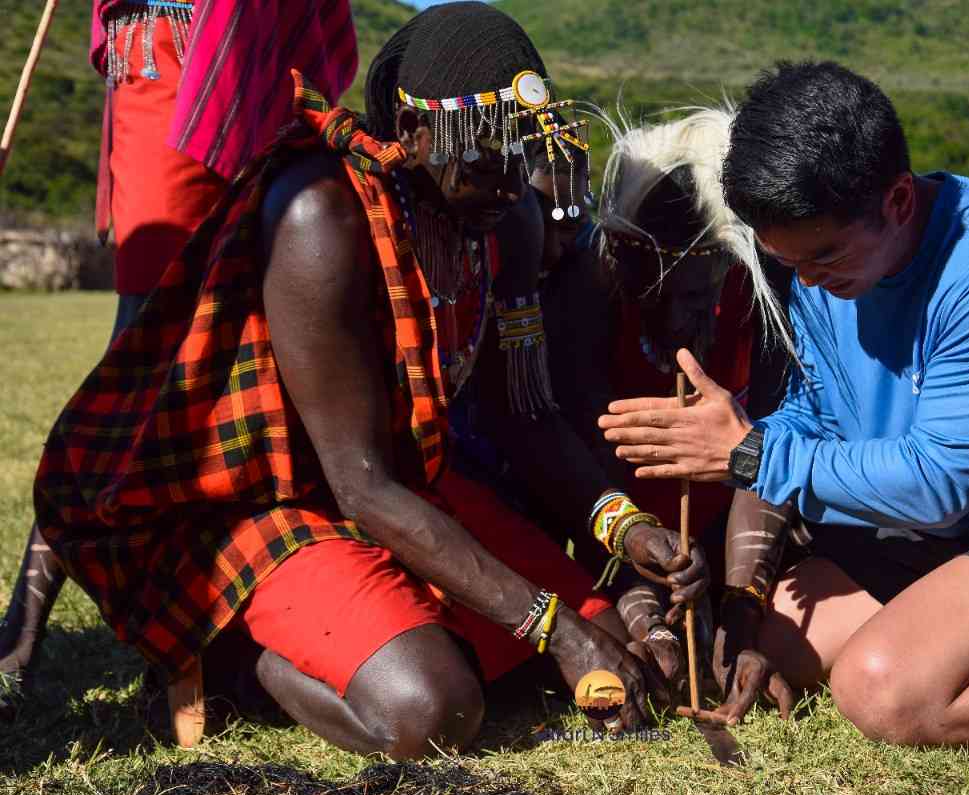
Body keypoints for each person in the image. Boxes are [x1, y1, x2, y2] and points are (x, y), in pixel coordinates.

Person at [30, 3, 698, 755]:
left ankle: (413, 626)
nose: (510, 182)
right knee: (432, 709)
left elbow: (524, 419)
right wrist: (550, 624)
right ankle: (225, 659)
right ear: (413, 138)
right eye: (481, 155)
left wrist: (624, 524)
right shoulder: (323, 215)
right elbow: (358, 484)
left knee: (618, 648)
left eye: (518, 153)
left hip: (412, 486)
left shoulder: (503, 220)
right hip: (278, 504)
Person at [599, 60, 969, 747]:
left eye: (824, 257)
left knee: (881, 690)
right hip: (964, 530)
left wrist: (749, 452)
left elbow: (940, 484)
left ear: (900, 202)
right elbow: (812, 413)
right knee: (774, 646)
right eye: (789, 263)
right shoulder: (813, 259)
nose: (809, 282)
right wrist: (747, 580)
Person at [0, 0, 357, 713]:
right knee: (130, 402)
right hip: (166, 143)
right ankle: (23, 638)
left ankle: (177, 639)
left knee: (213, 405)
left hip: (231, 138)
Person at [502, 107, 791, 683]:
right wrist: (643, 607)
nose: (674, 314)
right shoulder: (589, 281)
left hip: (728, 533)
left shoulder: (757, 293)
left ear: (722, 268)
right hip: (616, 535)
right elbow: (577, 463)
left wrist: (742, 605)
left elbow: (778, 445)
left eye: (688, 294)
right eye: (652, 291)